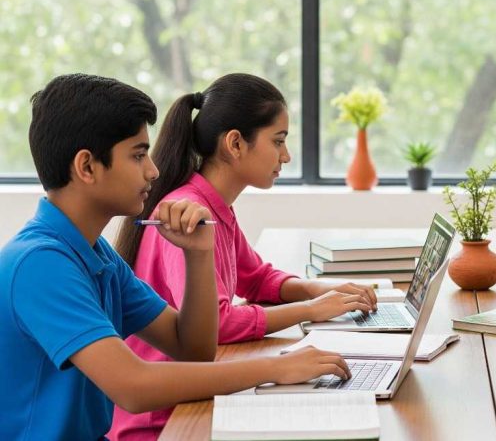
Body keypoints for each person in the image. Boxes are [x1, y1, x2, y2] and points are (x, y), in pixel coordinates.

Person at [0, 75, 349, 440]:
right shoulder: (40, 265)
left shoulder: (94, 254)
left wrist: (198, 255)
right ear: (87, 167)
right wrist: (274, 368)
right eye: (138, 155)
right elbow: (132, 386)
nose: (153, 170)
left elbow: (193, 349)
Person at [109, 74, 376, 440]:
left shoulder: (217, 206)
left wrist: (321, 290)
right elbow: (219, 322)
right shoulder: (187, 212)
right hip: (165, 420)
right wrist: (311, 311)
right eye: (278, 141)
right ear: (235, 143)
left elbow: (257, 279)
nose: (286, 155)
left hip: (194, 398)